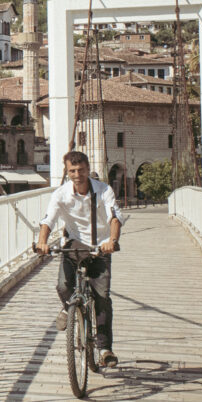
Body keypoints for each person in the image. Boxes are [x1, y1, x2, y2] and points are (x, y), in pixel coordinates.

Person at [34, 150, 125, 368]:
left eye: (81, 170)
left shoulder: (104, 191)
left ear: (87, 169)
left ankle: (104, 349)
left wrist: (112, 240)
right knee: (64, 285)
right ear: (67, 171)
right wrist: (42, 242)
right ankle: (69, 307)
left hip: (100, 245)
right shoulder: (61, 194)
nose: (77, 174)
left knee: (102, 297)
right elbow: (48, 220)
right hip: (74, 244)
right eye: (72, 171)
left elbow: (115, 217)